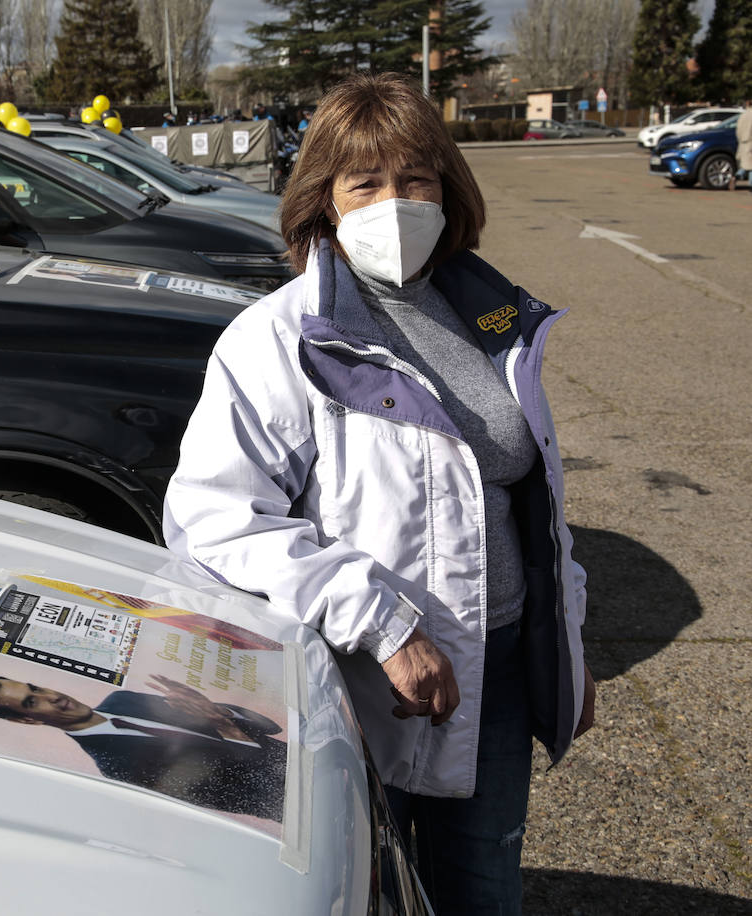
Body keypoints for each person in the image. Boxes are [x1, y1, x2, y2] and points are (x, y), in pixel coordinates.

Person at [162, 72, 594, 915]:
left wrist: (567, 649)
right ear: (324, 199)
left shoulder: (489, 317)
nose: (395, 202)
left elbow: (533, 502)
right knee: (369, 892)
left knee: (482, 891)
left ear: (448, 189)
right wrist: (384, 624)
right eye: (366, 182)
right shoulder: (278, 339)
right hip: (362, 685)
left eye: (417, 179)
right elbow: (216, 522)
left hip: (497, 671)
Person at [0, 673, 287, 821]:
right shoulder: (117, 767)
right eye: (31, 701)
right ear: (26, 721)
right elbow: (251, 799)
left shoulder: (123, 698)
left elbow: (270, 728)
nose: (52, 696)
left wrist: (223, 712)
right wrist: (226, 726)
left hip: (308, 753)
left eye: (36, 687)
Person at [736, 99, 752, 190]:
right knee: (750, 165)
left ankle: (737, 175)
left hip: (743, 142)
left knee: (747, 164)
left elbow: (738, 130)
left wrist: (740, 140)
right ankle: (750, 184)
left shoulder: (743, 115)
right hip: (750, 142)